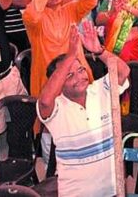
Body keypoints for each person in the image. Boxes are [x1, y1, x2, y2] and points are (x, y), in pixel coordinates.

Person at [37, 24, 129, 197]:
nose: (79, 77)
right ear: (58, 82)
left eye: (80, 70)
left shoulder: (100, 89)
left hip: (114, 189)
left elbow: (123, 71)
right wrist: (71, 55)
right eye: (69, 75)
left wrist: (99, 51)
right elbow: (44, 102)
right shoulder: (55, 107)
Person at [23, 0, 97, 96]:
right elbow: (32, 14)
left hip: (78, 74)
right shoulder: (33, 16)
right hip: (48, 78)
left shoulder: (70, 10)